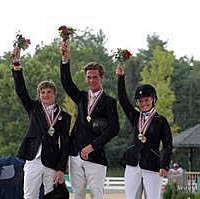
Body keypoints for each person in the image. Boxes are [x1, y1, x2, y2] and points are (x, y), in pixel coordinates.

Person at [60, 42, 120, 199]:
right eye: (89, 77)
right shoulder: (81, 97)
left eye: (95, 77)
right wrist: (65, 60)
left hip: (96, 156)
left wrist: (93, 146)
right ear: (85, 78)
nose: (92, 80)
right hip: (75, 155)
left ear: (101, 77)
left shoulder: (109, 102)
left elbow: (114, 129)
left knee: (96, 194)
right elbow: (66, 83)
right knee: (78, 194)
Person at [11, 47, 71, 199]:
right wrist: (17, 65)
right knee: (29, 196)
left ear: (54, 94)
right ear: (39, 95)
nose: (46, 95)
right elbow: (21, 90)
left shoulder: (64, 116)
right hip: (33, 159)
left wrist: (61, 169)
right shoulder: (33, 108)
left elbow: (65, 145)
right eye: (42, 92)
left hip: (52, 162)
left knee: (51, 196)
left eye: (49, 92)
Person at [116, 65, 173, 199]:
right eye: (140, 101)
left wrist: (165, 165)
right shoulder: (135, 116)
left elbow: (168, 145)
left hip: (152, 166)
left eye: (146, 100)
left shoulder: (161, 121)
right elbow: (123, 100)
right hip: (132, 164)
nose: (143, 103)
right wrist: (120, 78)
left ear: (153, 100)